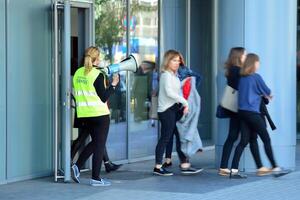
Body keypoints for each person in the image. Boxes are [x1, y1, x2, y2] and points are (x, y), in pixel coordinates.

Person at [230, 53, 290, 178]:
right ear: (253, 63)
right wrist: (267, 95)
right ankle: (275, 168)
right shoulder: (256, 77)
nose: (259, 64)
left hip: (242, 113)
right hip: (253, 113)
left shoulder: (242, 78)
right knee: (266, 139)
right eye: (258, 62)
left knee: (244, 141)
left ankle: (234, 171)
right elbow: (267, 91)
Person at [218, 47, 270, 178]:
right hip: (240, 108)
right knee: (240, 137)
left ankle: (226, 166)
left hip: (238, 108)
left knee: (239, 137)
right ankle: (227, 167)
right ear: (238, 56)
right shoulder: (237, 71)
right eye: (244, 55)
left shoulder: (233, 70)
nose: (246, 57)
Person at [71, 46, 119, 186]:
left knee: (96, 142)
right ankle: (96, 178)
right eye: (100, 57)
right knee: (99, 145)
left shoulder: (78, 72)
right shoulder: (98, 74)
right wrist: (114, 85)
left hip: (84, 115)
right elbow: (104, 97)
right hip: (99, 115)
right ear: (96, 59)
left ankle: (77, 167)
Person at [153, 50, 202, 176]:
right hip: (166, 111)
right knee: (165, 138)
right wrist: (184, 102)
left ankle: (185, 164)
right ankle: (158, 167)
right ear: (167, 61)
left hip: (174, 110)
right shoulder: (165, 75)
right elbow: (169, 93)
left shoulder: (175, 76)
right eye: (174, 60)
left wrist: (184, 104)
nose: (177, 63)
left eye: (178, 60)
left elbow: (178, 92)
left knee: (180, 135)